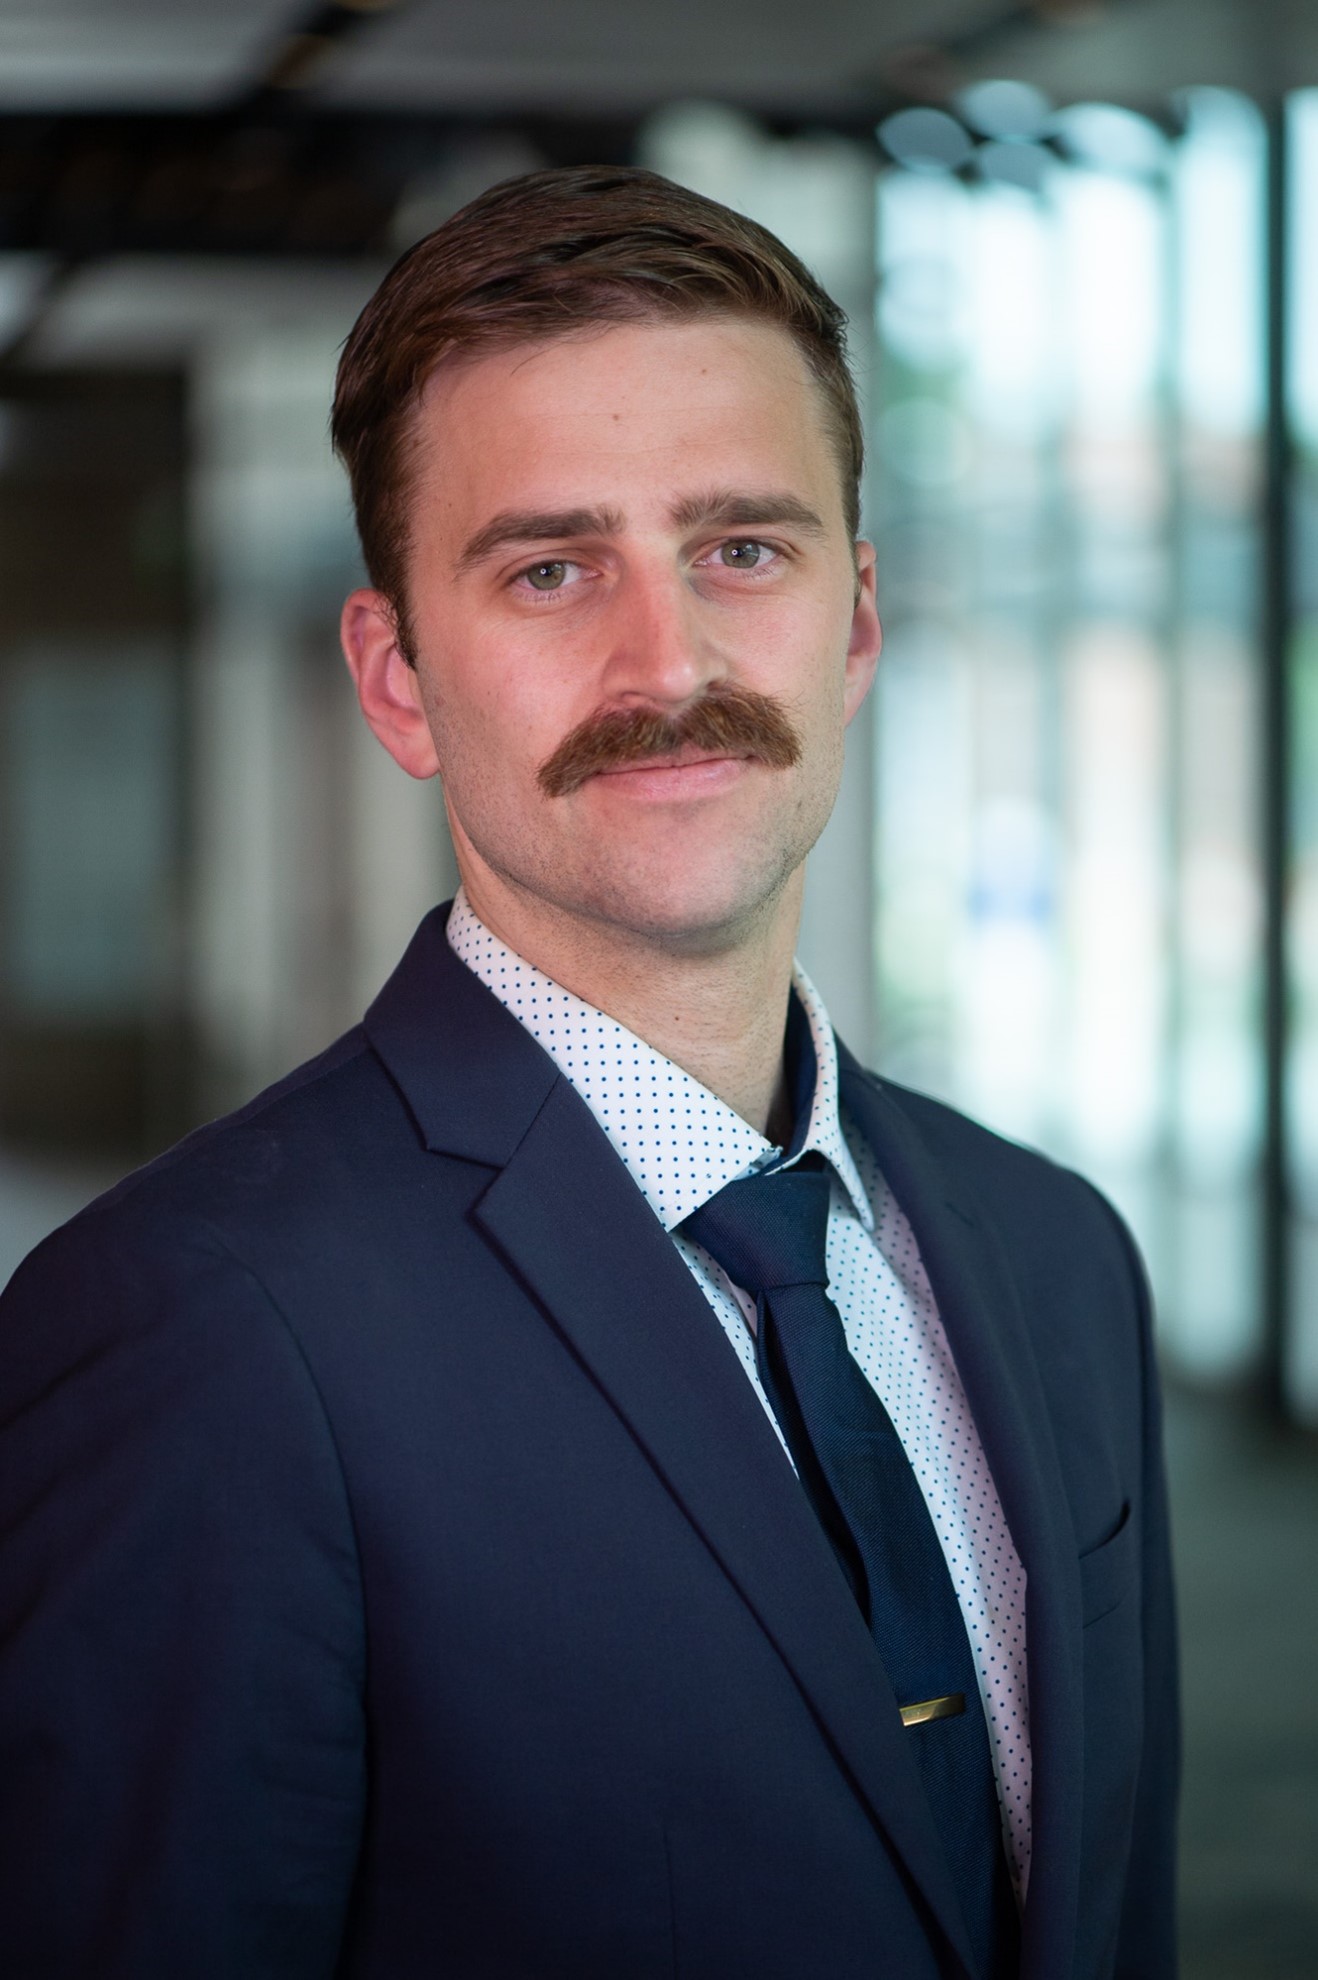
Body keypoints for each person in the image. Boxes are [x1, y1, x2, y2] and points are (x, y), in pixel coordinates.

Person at [0, 166, 1177, 1979]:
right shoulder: (194, 1331)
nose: (670, 662)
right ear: (398, 682)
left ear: (853, 620)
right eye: (552, 570)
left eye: (741, 550)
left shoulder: (1055, 1255)